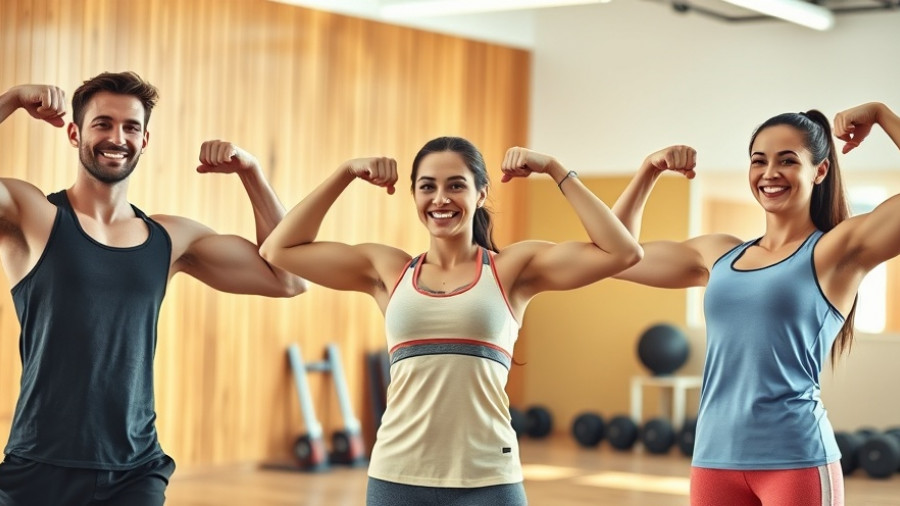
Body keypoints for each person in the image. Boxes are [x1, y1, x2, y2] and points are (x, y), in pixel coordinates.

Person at [260, 136, 642, 505]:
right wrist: (345, 172)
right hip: (397, 474)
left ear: (480, 193)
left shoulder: (512, 269)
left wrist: (556, 170)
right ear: (414, 196)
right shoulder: (388, 270)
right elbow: (279, 248)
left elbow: (622, 252)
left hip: (489, 477)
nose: (440, 199)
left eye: (456, 185)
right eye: (427, 187)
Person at [0, 72, 307, 505]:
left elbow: (288, 278)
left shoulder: (171, 239)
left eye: (131, 127)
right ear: (74, 133)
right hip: (39, 465)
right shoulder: (32, 216)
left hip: (135, 470)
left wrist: (250, 171)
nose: (117, 137)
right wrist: (11, 100)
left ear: (145, 140)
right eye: (102, 123)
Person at [611, 102, 900, 506]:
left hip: (795, 460)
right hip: (714, 459)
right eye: (758, 161)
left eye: (787, 161)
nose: (769, 173)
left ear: (819, 171)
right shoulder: (718, 254)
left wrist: (883, 114)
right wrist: (648, 170)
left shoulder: (836, 251)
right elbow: (613, 256)